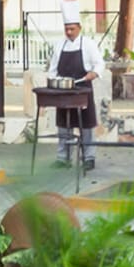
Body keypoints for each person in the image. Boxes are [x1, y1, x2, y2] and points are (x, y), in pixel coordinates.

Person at [52, 14, 104, 170]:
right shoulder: (59, 45)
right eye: (66, 29)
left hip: (83, 88)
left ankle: (89, 157)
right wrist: (53, 80)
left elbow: (99, 63)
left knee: (86, 125)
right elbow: (53, 69)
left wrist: (94, 73)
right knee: (63, 124)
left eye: (72, 29)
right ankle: (63, 157)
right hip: (64, 90)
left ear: (79, 28)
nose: (69, 32)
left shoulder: (88, 44)